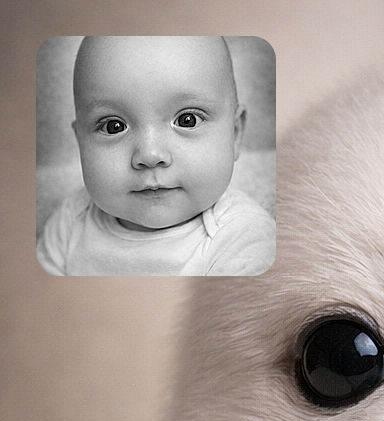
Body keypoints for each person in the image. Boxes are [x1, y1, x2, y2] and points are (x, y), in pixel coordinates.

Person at [37, 36, 275, 276]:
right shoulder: (71, 220)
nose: (150, 155)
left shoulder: (243, 238)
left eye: (187, 120)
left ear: (234, 133)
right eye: (113, 126)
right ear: (80, 143)